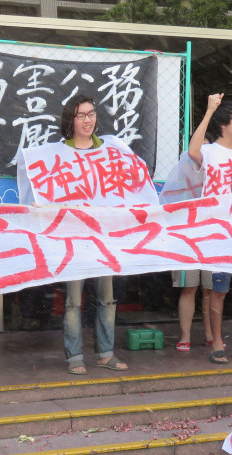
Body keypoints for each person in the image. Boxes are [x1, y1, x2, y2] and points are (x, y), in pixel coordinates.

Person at [17, 94, 159, 374]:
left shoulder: (112, 150)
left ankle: (105, 353)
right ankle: (74, 356)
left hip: (104, 237)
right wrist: (42, 204)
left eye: (91, 114)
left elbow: (132, 184)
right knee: (72, 300)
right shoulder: (55, 154)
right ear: (70, 119)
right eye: (81, 115)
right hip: (73, 238)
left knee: (107, 297)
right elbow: (44, 189)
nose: (87, 120)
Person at [163, 93, 232, 364]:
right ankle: (216, 342)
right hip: (218, 231)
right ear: (224, 123)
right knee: (217, 290)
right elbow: (192, 152)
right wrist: (210, 110)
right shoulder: (209, 151)